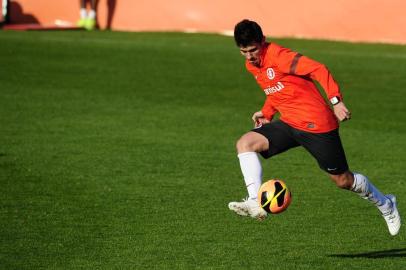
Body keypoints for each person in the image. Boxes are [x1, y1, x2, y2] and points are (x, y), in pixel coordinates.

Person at [228, 19, 401, 236]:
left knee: (343, 180)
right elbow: (277, 89)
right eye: (244, 51)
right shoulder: (251, 65)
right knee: (245, 144)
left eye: (253, 50)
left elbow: (318, 69)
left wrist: (336, 102)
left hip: (316, 124)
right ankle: (255, 202)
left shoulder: (280, 56)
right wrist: (267, 112)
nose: (250, 56)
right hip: (290, 122)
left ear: (262, 41)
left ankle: (386, 203)